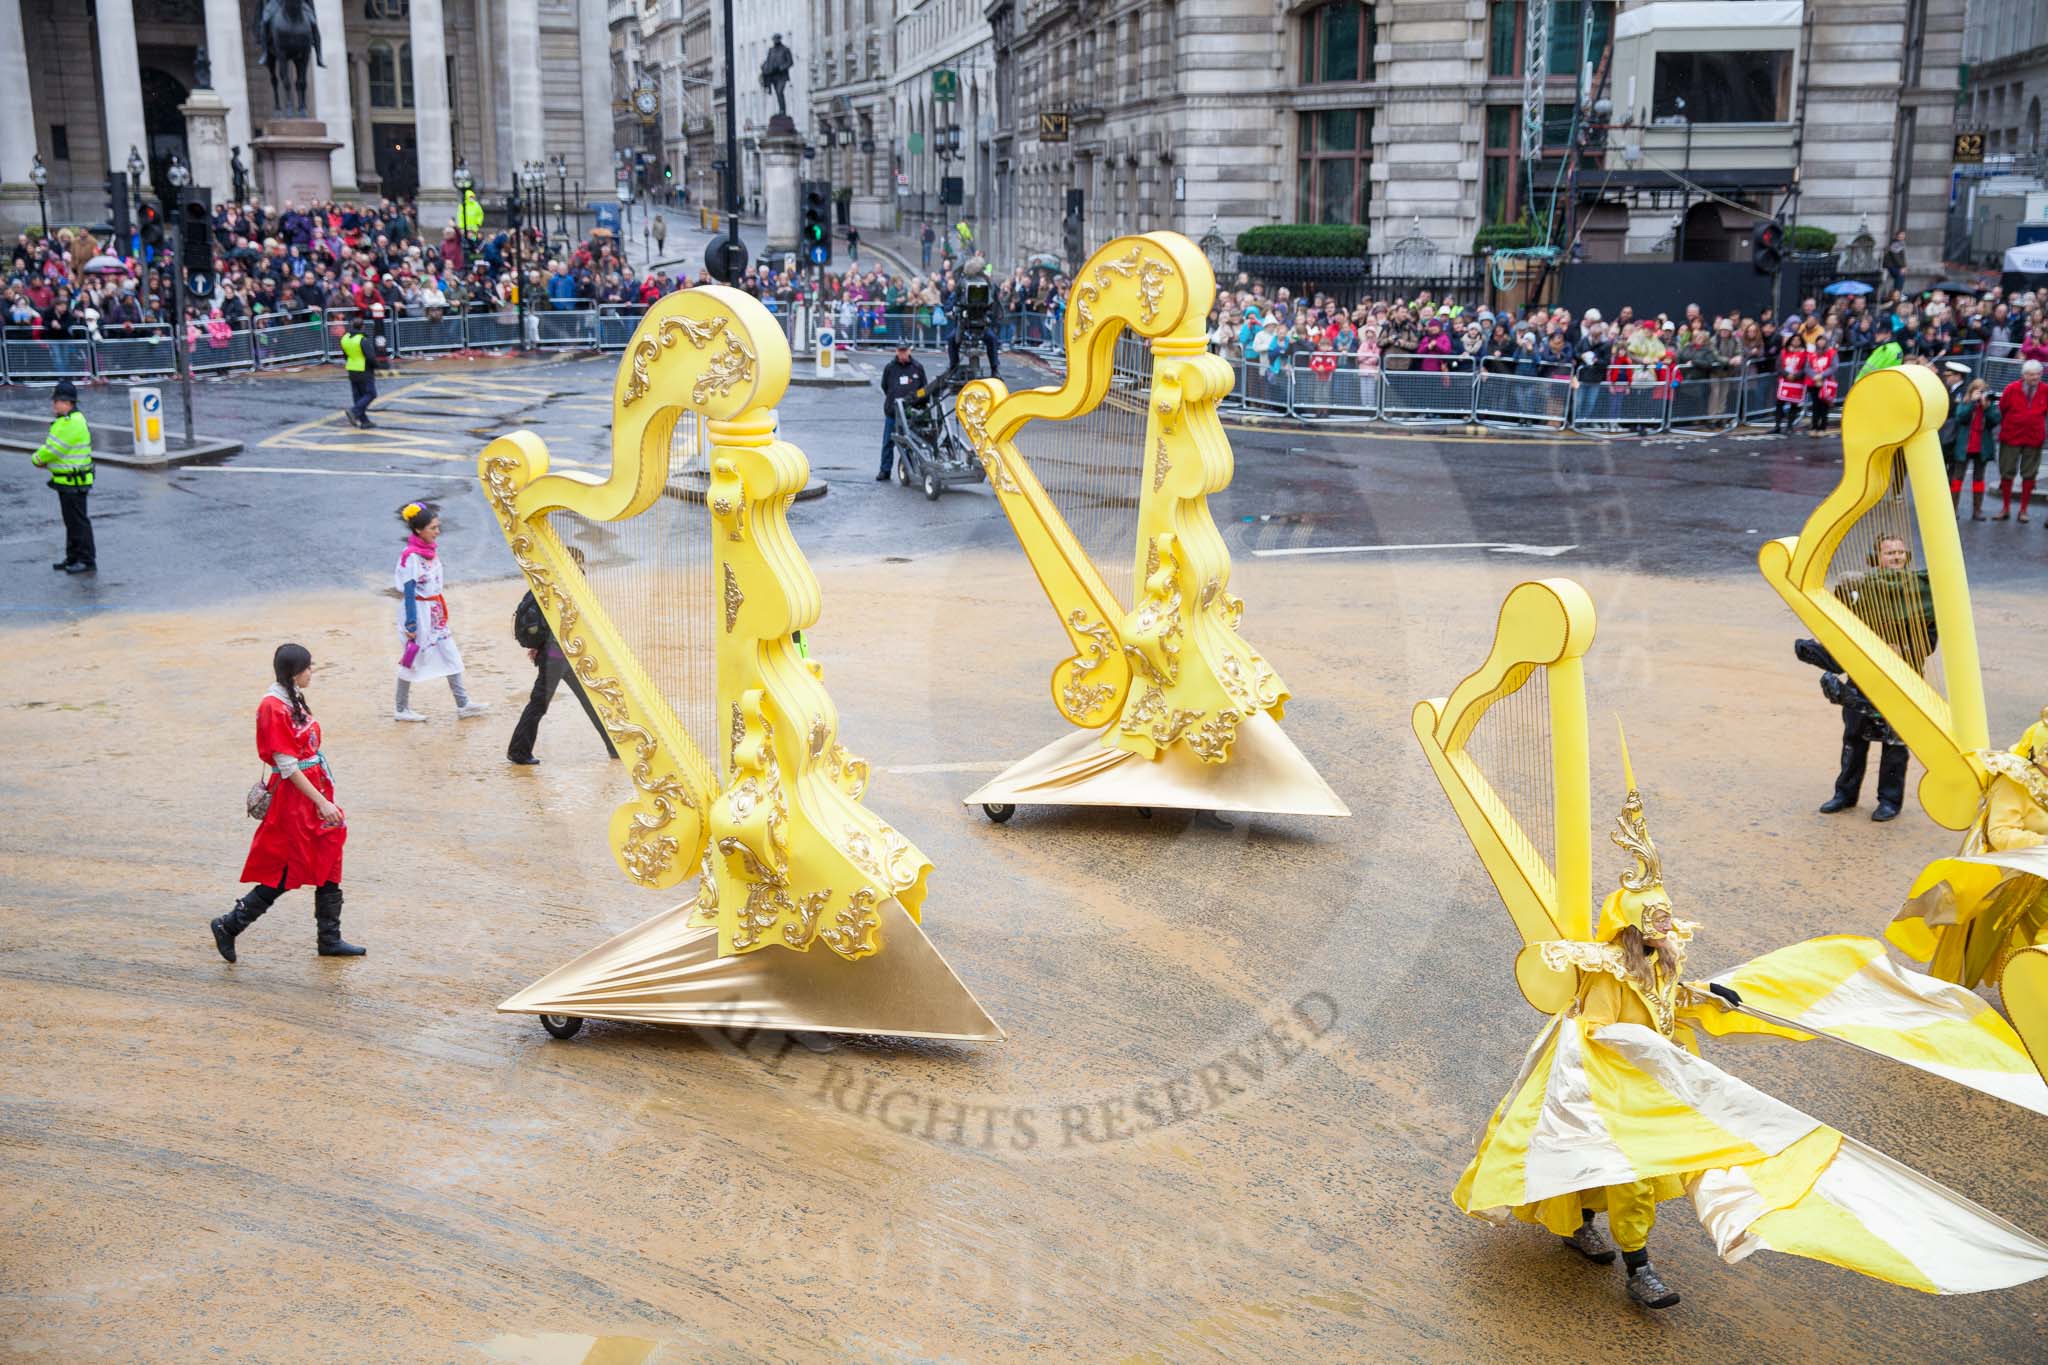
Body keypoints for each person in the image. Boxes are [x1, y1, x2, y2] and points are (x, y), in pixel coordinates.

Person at [211, 643, 363, 961]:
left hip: (313, 792)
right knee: (286, 869)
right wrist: (322, 802)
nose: (312, 672)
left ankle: (329, 938)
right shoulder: (273, 706)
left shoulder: (291, 697)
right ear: (295, 672)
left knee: (330, 855)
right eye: (308, 667)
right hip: (296, 801)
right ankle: (230, 924)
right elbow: (287, 765)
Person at [1891, 706, 2048, 988]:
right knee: (1984, 944)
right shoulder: (2014, 783)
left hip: (2043, 875)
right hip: (2014, 877)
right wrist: (2043, 844)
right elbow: (1999, 833)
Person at [1818, 534, 1934, 821]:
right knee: (1854, 736)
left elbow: (1930, 640)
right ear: (1876, 558)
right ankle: (1845, 794)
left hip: (1903, 675)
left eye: (1900, 552)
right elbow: (1840, 619)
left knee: (1895, 743)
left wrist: (1903, 648)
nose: (1896, 557)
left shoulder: (1921, 592)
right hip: (1864, 674)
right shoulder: (1862, 588)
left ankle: (1889, 801)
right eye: (1889, 552)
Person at [507, 549, 619, 766]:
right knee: (547, 703)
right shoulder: (571, 584)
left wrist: (538, 645)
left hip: (557, 654)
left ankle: (614, 747)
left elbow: (546, 619)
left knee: (586, 700)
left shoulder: (547, 581)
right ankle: (518, 751)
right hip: (562, 656)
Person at [393, 501, 489, 721]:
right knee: (414, 658)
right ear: (419, 530)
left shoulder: (428, 552)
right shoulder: (411, 556)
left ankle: (463, 703)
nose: (438, 532)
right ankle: (400, 708)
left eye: (438, 526)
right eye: (433, 528)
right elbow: (409, 590)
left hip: (434, 612)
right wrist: (411, 624)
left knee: (450, 652)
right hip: (418, 612)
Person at [31, 378, 94, 574]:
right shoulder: (70, 420)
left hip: (73, 482)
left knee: (78, 522)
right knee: (72, 522)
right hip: (67, 481)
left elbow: (53, 449)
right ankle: (73, 557)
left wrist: (37, 459)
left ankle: (86, 560)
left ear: (65, 402)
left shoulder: (69, 423)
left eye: (55, 401)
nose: (53, 404)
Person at [1995, 358, 2046, 523]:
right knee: (2007, 471)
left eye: (2038, 375)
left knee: (2029, 474)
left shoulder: (2045, 390)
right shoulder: (2012, 388)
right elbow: (2003, 408)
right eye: (2031, 375)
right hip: (2011, 435)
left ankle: (2023, 510)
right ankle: (2006, 508)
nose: (2035, 378)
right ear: (2024, 375)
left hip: (2034, 437)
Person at [1945, 375, 1999, 520]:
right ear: (1972, 391)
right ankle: (1953, 509)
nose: (1981, 394)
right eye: (1978, 391)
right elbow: (1961, 417)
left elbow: (1995, 420)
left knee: (1979, 478)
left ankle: (1977, 510)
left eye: (1983, 391)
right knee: (1957, 477)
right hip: (1965, 445)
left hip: (1981, 446)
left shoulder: (1989, 404)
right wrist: (1971, 403)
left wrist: (1987, 408)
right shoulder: (1966, 402)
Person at [877, 342, 927, 481]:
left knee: (912, 443)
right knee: (888, 442)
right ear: (896, 351)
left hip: (912, 413)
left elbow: (924, 388)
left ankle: (911, 468)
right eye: (900, 351)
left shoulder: (917, 368)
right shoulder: (890, 368)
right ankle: (885, 470)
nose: (903, 354)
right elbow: (885, 386)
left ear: (909, 351)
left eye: (905, 351)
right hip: (893, 412)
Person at [340, 312, 377, 428]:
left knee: (358, 396)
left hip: (351, 369)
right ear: (362, 326)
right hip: (363, 369)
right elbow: (370, 357)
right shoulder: (362, 340)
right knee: (371, 393)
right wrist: (376, 366)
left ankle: (364, 421)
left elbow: (345, 355)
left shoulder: (345, 338)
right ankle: (354, 411)